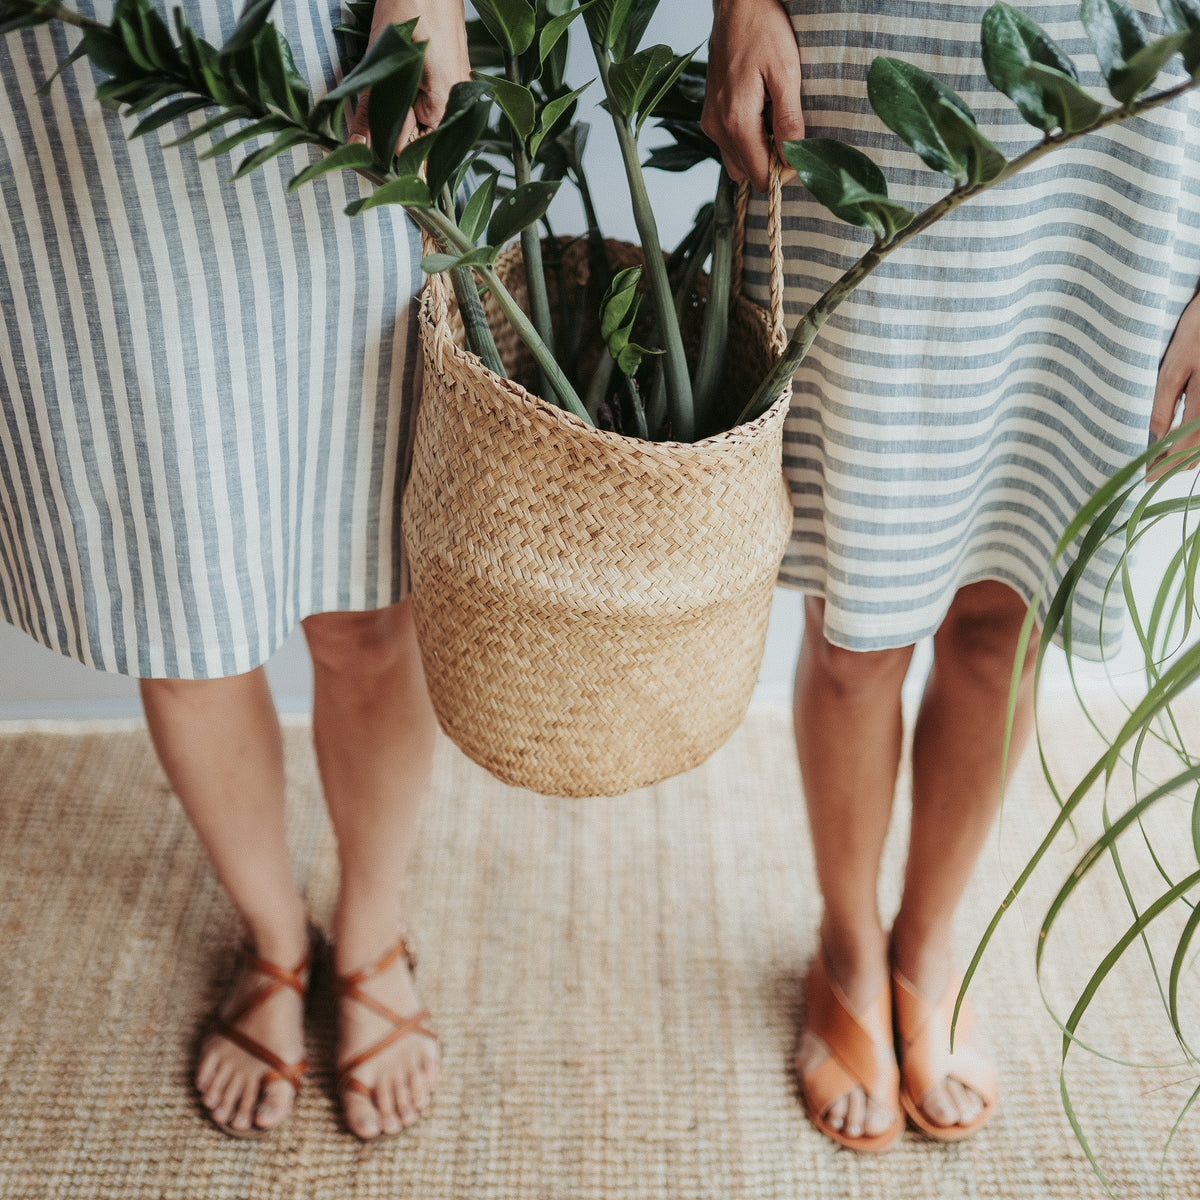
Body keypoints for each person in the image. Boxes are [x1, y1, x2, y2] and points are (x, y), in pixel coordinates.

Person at [703, 0, 1200, 1150]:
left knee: (1004, 617)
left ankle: (927, 942)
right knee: (862, 620)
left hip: (1125, 155)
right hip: (864, 100)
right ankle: (847, 944)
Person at [0, 0, 469, 1141]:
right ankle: (272, 935)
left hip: (317, 54)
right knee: (179, 612)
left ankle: (369, 928)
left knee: (370, 600)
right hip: (61, 99)